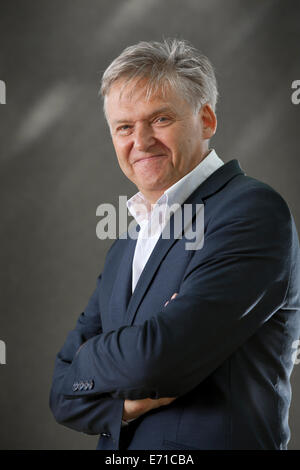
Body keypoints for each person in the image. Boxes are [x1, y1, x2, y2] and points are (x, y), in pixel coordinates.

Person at [49, 38, 300, 450]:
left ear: (206, 120)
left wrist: (90, 356)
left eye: (160, 119)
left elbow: (156, 360)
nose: (141, 141)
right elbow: (60, 394)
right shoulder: (126, 245)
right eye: (124, 127)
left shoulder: (252, 211)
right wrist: (123, 408)